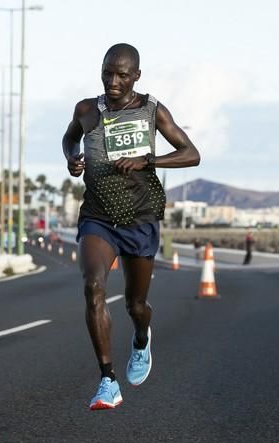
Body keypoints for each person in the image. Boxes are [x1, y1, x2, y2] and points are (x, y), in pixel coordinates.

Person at [62, 43, 200, 410]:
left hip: (140, 216)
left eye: (122, 74)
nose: (113, 81)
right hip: (98, 216)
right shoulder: (87, 109)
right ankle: (107, 380)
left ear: (136, 75)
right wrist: (71, 160)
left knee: (135, 304)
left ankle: (141, 338)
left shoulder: (152, 110)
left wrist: (147, 160)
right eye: (108, 72)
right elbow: (69, 138)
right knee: (93, 286)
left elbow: (192, 154)